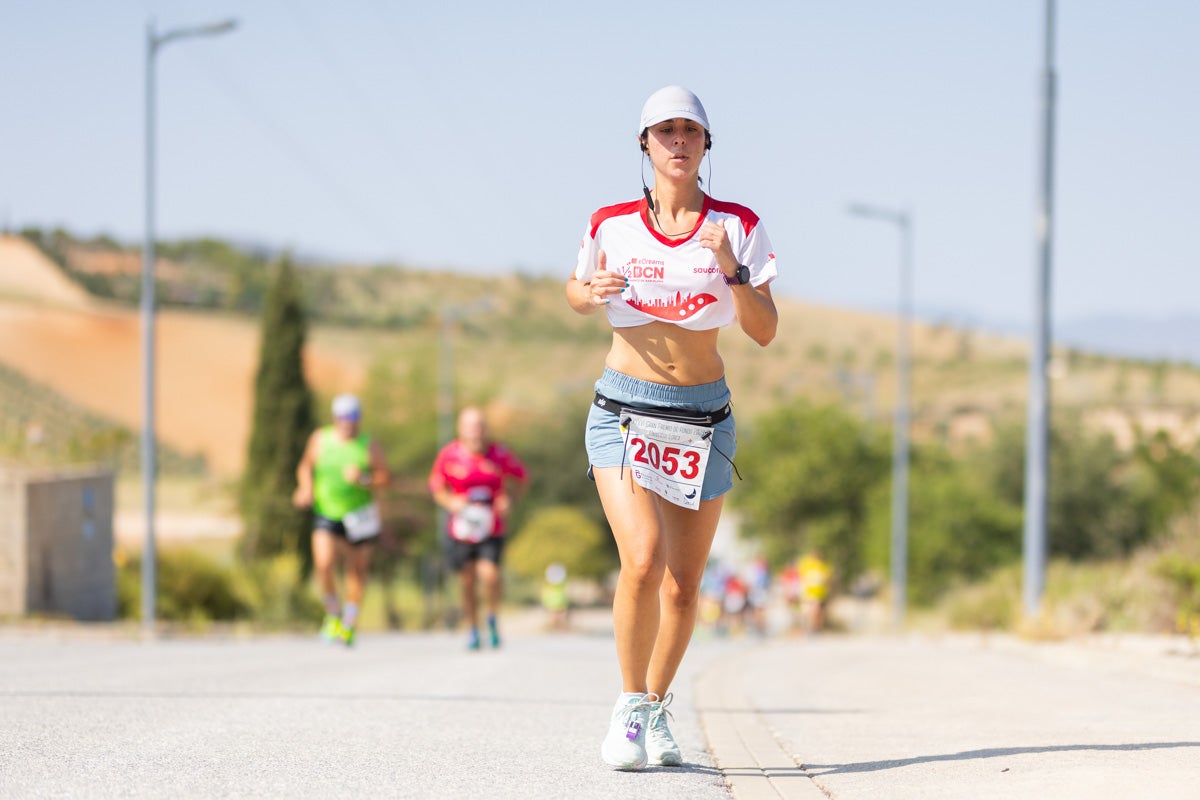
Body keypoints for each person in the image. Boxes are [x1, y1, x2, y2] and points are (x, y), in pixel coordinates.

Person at [566, 85, 778, 770]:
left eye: (690, 131)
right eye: (665, 132)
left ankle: (656, 706)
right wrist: (587, 292)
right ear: (644, 145)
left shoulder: (738, 225)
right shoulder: (611, 222)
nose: (678, 142)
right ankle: (628, 707)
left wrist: (732, 272)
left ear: (707, 144)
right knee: (642, 557)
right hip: (624, 410)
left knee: (685, 585)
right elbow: (575, 289)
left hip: (704, 419)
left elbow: (765, 330)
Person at [292, 394, 391, 647]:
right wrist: (305, 488)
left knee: (356, 571)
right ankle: (332, 614)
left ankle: (349, 621)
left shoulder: (369, 445)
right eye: (343, 418)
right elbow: (305, 466)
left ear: (359, 419)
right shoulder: (320, 439)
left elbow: (385, 478)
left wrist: (364, 479)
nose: (348, 423)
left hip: (359, 516)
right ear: (335, 418)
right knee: (323, 564)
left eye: (353, 418)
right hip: (327, 511)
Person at [429, 406, 528, 651]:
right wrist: (450, 502)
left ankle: (492, 617)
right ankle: (473, 627)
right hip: (461, 528)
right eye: (470, 427)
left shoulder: (499, 454)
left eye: (479, 426)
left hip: (491, 526)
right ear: (460, 430)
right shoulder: (449, 454)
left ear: (486, 429)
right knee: (467, 580)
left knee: (490, 574)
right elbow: (436, 486)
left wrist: (509, 500)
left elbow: (522, 478)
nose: (475, 432)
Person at [798, 549, 833, 633]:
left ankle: (816, 629)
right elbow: (801, 577)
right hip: (809, 592)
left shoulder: (823, 566)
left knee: (818, 612)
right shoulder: (807, 565)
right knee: (811, 611)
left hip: (819, 593)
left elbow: (827, 578)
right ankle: (811, 628)